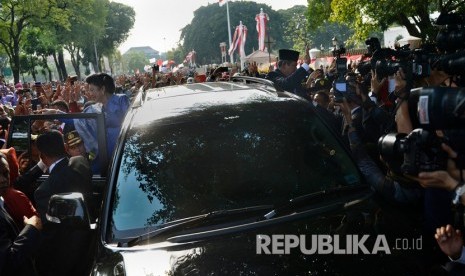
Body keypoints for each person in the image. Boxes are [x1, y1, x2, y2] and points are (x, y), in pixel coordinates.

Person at [33, 130, 93, 276]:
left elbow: (52, 234)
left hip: (66, 261)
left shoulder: (44, 190)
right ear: (66, 148)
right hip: (91, 245)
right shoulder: (81, 166)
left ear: (43, 156)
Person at [0, 151, 42, 276]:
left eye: (5, 173)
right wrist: (31, 228)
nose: (2, 180)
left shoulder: (3, 200)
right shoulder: (15, 196)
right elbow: (7, 263)